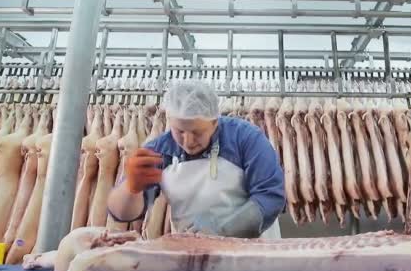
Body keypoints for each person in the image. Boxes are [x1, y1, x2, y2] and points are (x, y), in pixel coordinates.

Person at [106, 80, 285, 239]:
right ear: (169, 120)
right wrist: (130, 189)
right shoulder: (159, 150)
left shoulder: (245, 138)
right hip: (194, 256)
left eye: (197, 132)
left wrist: (222, 228)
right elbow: (121, 214)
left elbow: (270, 196)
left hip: (252, 257)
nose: (188, 142)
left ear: (215, 122)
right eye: (180, 132)